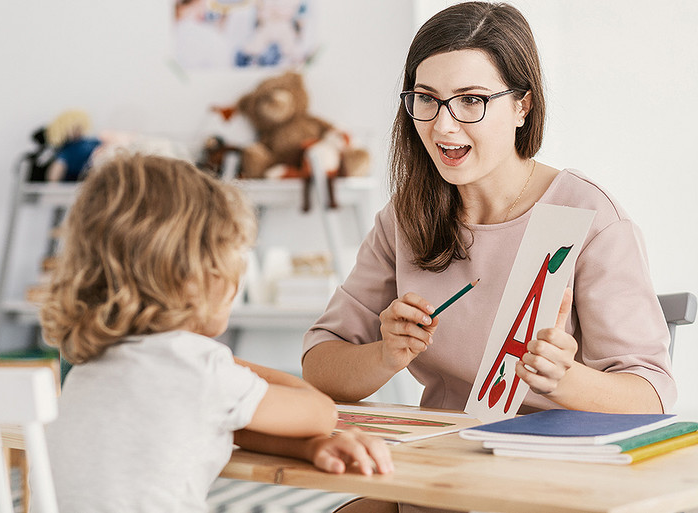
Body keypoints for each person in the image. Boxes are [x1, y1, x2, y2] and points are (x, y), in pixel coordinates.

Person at [302, 3, 675, 512]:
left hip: (552, 481)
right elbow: (320, 368)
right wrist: (383, 355)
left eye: (472, 100)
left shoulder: (591, 218)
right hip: (440, 474)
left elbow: (652, 397)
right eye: (426, 100)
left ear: (522, 105)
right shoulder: (406, 217)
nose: (443, 126)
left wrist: (565, 380)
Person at [40, 153, 392, 512]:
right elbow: (320, 412)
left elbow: (220, 422)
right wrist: (224, 361)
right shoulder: (198, 368)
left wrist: (307, 448)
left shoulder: (87, 369)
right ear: (196, 276)